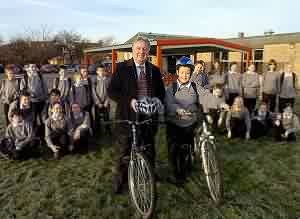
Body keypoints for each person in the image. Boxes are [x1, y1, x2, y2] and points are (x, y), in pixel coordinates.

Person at [108, 36, 165, 193]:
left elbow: (161, 93)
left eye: (144, 49)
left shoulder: (154, 70)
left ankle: (150, 175)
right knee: (124, 151)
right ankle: (120, 182)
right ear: (133, 50)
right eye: (138, 48)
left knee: (149, 148)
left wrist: (156, 102)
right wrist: (129, 101)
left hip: (148, 117)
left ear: (148, 51)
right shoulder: (121, 68)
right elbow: (111, 91)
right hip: (127, 117)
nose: (141, 51)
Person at [165, 56, 204, 185]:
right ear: (177, 72)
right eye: (182, 72)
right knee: (174, 149)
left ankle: (187, 164)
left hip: (190, 122)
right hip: (175, 123)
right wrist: (177, 109)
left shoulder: (195, 86)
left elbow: (205, 98)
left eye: (188, 72)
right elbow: (169, 103)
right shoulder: (172, 87)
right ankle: (176, 173)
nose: (185, 75)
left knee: (187, 147)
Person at [22, 64, 48, 129]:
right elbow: (22, 90)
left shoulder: (40, 76)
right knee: (33, 118)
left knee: (42, 118)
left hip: (41, 101)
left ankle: (42, 130)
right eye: (31, 67)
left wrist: (45, 97)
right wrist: (29, 95)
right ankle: (33, 131)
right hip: (31, 102)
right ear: (28, 68)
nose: (33, 68)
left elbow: (45, 88)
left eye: (34, 67)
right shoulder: (25, 77)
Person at [92, 64, 111, 134]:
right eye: (100, 71)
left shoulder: (108, 79)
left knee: (106, 117)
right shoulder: (94, 80)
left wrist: (107, 101)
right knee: (97, 118)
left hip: (105, 102)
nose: (101, 72)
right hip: (98, 103)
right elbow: (93, 92)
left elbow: (109, 91)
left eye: (103, 71)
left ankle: (108, 130)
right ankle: (98, 131)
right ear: (97, 72)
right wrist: (98, 102)